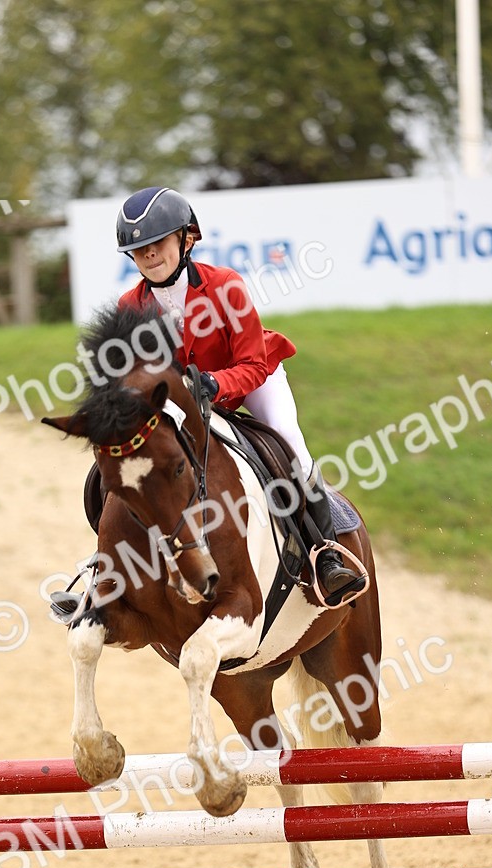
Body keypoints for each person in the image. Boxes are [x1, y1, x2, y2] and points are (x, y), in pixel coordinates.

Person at [115, 186, 365, 602]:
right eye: (139, 249)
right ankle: (104, 570)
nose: (149, 254)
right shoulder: (130, 306)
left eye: (157, 242)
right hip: (187, 400)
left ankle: (326, 555)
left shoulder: (225, 286)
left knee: (288, 440)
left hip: (253, 378)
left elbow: (251, 364)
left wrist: (215, 385)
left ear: (187, 238)